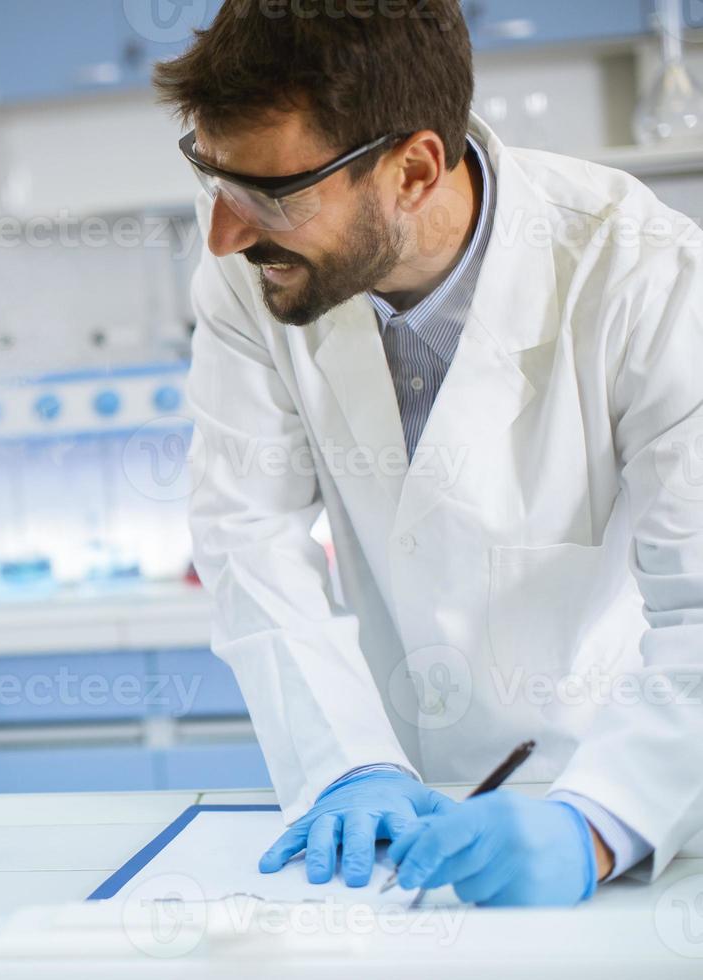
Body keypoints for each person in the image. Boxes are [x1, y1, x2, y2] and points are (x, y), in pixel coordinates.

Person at [156, 0, 703, 906]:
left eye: (271, 194)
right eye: (212, 177)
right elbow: (248, 536)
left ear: (413, 169)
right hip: (392, 813)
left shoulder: (645, 275)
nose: (224, 233)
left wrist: (600, 826)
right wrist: (343, 766)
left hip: (621, 797)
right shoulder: (250, 274)